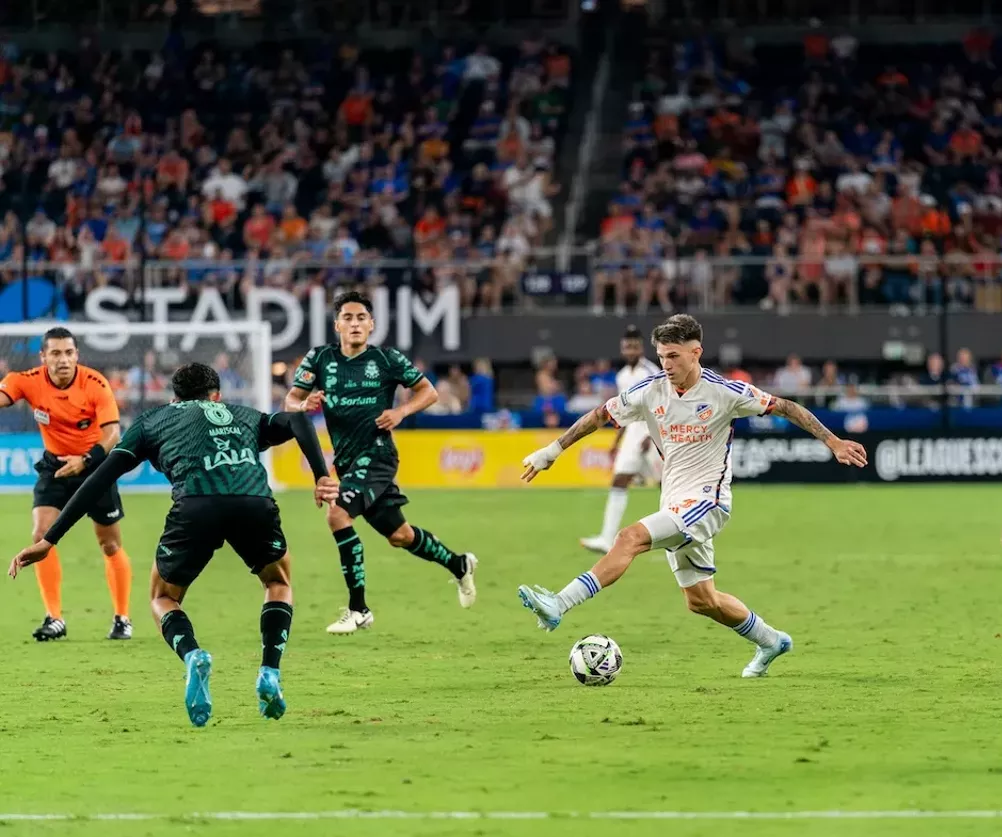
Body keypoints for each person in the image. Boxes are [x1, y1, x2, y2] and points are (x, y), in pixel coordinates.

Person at [518, 315, 868, 677]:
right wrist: (551, 451)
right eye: (662, 356)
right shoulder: (650, 391)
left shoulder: (725, 392)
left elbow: (786, 407)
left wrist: (833, 442)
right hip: (673, 502)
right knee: (702, 601)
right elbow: (599, 416)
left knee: (630, 537)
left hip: (708, 502)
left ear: (696, 352)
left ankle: (559, 603)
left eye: (674, 356)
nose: (666, 365)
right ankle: (771, 641)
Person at [8, 363, 338, 727]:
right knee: (278, 583)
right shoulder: (243, 414)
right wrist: (322, 475)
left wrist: (50, 539)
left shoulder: (154, 420)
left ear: (174, 397)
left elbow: (99, 478)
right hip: (253, 501)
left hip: (195, 507)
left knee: (162, 597)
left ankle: (193, 654)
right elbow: (298, 421)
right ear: (217, 396)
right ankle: (270, 672)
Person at [286, 291, 478, 635]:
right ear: (337, 325)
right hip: (347, 462)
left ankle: (358, 609)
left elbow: (429, 392)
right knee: (400, 536)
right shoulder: (320, 359)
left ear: (372, 325)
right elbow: (291, 401)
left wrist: (401, 411)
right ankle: (458, 563)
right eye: (348, 318)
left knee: (337, 514)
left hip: (377, 455)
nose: (355, 324)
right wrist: (306, 404)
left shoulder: (386, 359)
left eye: (361, 318)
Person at [0, 327, 134, 641]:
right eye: (56, 353)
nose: (64, 360)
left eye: (69, 353)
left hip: (95, 467)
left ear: (77, 355)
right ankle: (54, 618)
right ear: (43, 356)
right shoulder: (28, 380)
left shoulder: (95, 383)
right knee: (40, 535)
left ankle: (122, 617)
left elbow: (113, 435)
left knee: (110, 544)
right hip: (55, 466)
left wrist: (85, 460)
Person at [580, 326, 661, 553]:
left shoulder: (651, 371)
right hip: (632, 432)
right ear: (622, 348)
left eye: (634, 346)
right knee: (619, 480)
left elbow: (660, 405)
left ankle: (680, 535)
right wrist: (616, 442)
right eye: (627, 346)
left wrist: (650, 435)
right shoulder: (622, 376)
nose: (630, 350)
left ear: (641, 348)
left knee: (667, 485)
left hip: (653, 433)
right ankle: (607, 539)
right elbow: (622, 412)